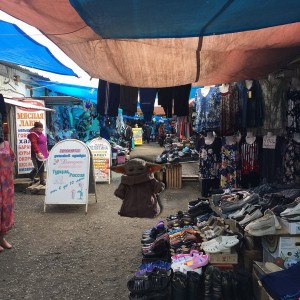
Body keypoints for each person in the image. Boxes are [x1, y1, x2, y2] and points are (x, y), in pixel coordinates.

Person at [0, 137, 16, 251]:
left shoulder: (5, 144)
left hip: (6, 185)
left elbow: (12, 157)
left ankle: (2, 238)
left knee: (5, 210)